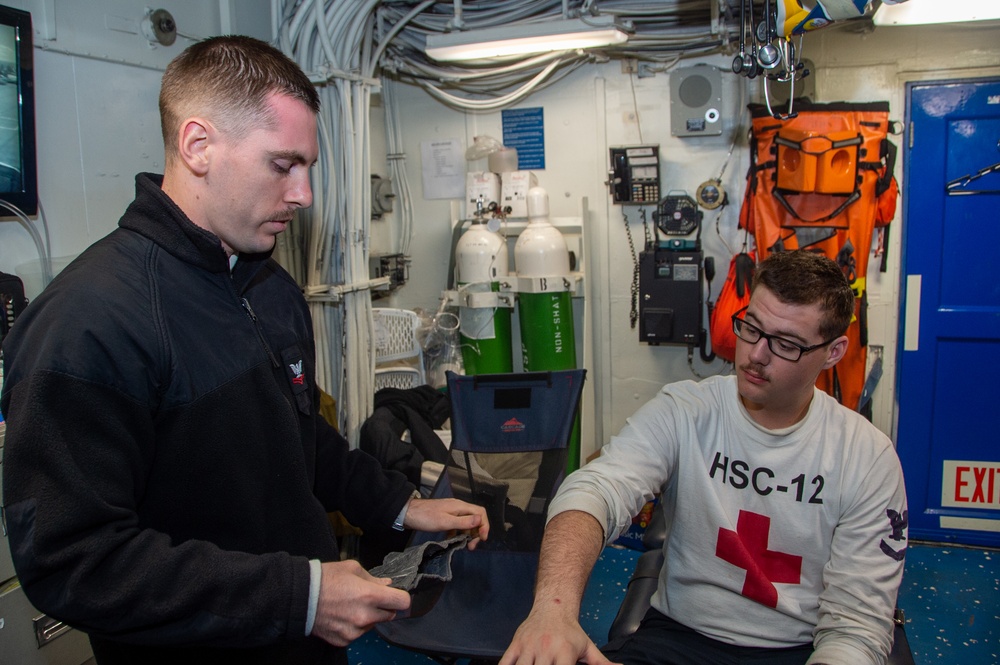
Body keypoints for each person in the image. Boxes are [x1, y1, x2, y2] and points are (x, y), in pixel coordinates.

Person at [0, 36, 488, 665]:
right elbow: (74, 563)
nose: (304, 194)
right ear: (198, 146)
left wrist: (399, 507)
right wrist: (302, 594)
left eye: (308, 167)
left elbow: (301, 439)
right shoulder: (88, 322)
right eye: (282, 165)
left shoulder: (268, 285)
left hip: (304, 644)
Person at [500, 250, 908, 665]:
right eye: (751, 327)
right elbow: (597, 489)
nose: (755, 354)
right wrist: (552, 609)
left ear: (834, 351)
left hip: (797, 651)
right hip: (677, 639)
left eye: (786, 344)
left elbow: (855, 629)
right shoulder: (685, 410)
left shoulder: (867, 458)